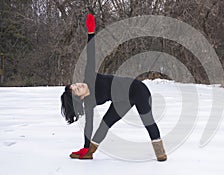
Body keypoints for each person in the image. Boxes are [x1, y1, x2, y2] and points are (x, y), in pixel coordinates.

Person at [60, 14, 167, 161]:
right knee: (104, 124)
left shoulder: (89, 77)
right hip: (120, 101)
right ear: (80, 97)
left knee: (148, 121)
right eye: (78, 89)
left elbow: (91, 54)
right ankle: (89, 152)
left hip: (138, 90)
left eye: (76, 84)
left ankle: (160, 152)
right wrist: (85, 146)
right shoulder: (89, 102)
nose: (80, 85)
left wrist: (91, 32)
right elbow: (88, 126)